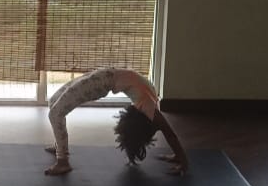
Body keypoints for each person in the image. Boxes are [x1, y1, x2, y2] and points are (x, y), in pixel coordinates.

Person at [44, 68, 188, 175]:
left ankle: (63, 161)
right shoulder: (150, 110)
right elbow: (170, 134)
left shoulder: (148, 108)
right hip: (104, 75)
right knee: (54, 101)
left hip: (102, 81)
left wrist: (181, 159)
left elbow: (169, 134)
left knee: (55, 114)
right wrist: (181, 159)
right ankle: (59, 146)